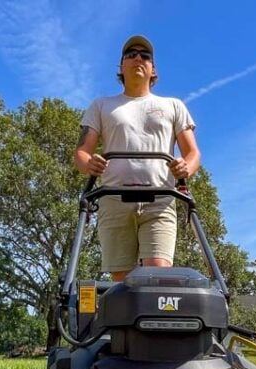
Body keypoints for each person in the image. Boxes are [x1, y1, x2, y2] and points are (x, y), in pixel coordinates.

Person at [73, 35, 201, 282]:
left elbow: (193, 153)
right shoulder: (102, 105)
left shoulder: (173, 105)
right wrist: (89, 163)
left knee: (157, 275)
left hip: (160, 199)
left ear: (153, 68)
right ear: (121, 66)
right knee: (122, 281)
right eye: (131, 54)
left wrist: (187, 167)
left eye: (145, 55)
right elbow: (81, 152)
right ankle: (123, 322)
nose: (138, 58)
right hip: (114, 198)